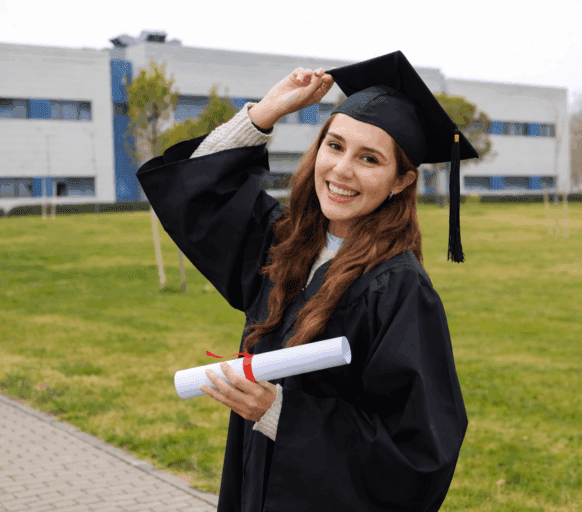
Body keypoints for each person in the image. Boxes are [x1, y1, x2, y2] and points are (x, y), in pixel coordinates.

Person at [136, 51, 477, 512]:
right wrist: (264, 112)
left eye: (369, 159)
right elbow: (198, 192)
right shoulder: (284, 244)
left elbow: (420, 456)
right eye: (333, 146)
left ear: (401, 181)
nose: (340, 170)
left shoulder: (398, 289)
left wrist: (280, 413)